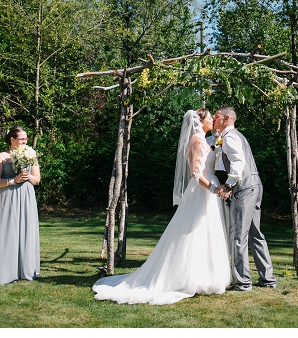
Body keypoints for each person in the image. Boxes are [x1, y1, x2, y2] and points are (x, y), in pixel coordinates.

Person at [92, 108, 231, 305]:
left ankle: (205, 275)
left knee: (205, 232)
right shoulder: (198, 141)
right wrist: (214, 189)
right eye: (209, 117)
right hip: (203, 192)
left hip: (206, 192)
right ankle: (193, 278)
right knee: (195, 233)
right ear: (200, 122)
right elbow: (195, 174)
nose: (212, 120)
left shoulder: (202, 139)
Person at [213, 106, 277, 290]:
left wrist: (229, 184)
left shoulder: (230, 137)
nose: (214, 119)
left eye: (216, 116)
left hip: (245, 189)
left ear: (226, 118)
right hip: (255, 185)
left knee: (239, 236)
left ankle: (242, 282)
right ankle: (268, 279)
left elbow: (238, 162)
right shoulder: (237, 135)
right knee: (256, 234)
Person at [0, 126, 41, 285]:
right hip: (8, 197)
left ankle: (26, 270)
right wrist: (12, 181)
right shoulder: (1, 156)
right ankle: (7, 272)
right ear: (12, 140)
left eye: (26, 139)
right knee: (8, 231)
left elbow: (37, 180)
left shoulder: (31, 155)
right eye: (22, 139)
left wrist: (28, 176)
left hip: (26, 196)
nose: (25, 141)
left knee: (26, 230)